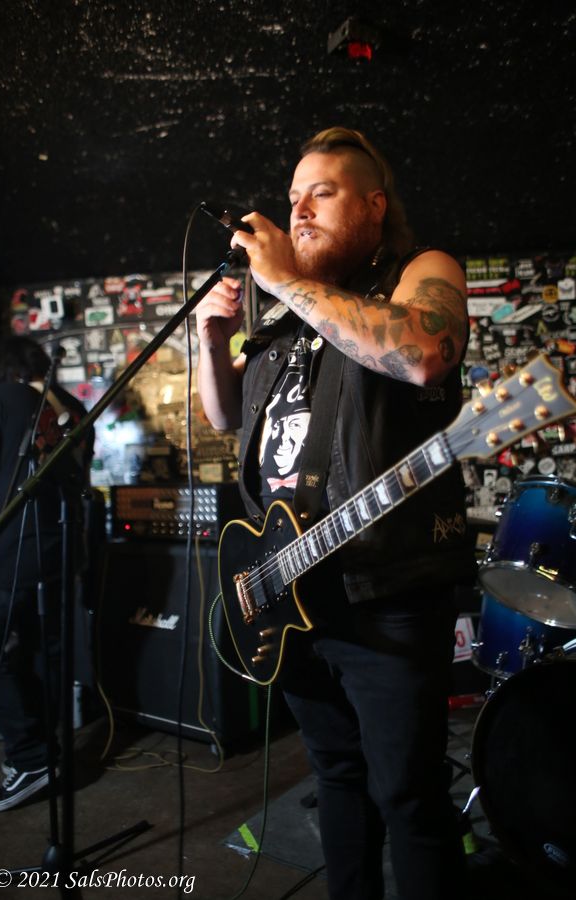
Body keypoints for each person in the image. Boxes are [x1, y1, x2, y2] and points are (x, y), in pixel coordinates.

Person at [196, 127, 476, 900]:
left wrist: (285, 280)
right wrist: (211, 339)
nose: (299, 212)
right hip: (286, 588)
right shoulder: (284, 315)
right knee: (335, 778)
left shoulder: (423, 270)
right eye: (293, 198)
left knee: (408, 794)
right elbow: (223, 417)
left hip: (383, 590)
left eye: (321, 193)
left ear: (374, 205)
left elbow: (423, 351)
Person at [0, 336, 92, 813]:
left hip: (3, 558)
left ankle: (30, 758)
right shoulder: (74, 410)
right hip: (60, 555)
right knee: (45, 654)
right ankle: (47, 755)